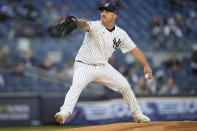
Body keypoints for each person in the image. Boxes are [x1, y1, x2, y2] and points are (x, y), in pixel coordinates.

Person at [55, 3, 152, 124]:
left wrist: (146, 65)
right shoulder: (95, 25)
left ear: (114, 16)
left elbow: (134, 50)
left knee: (125, 86)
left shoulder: (121, 34)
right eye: (103, 11)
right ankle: (64, 113)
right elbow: (84, 25)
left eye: (107, 12)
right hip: (84, 65)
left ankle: (138, 114)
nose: (103, 13)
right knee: (77, 86)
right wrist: (76, 21)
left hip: (103, 67)